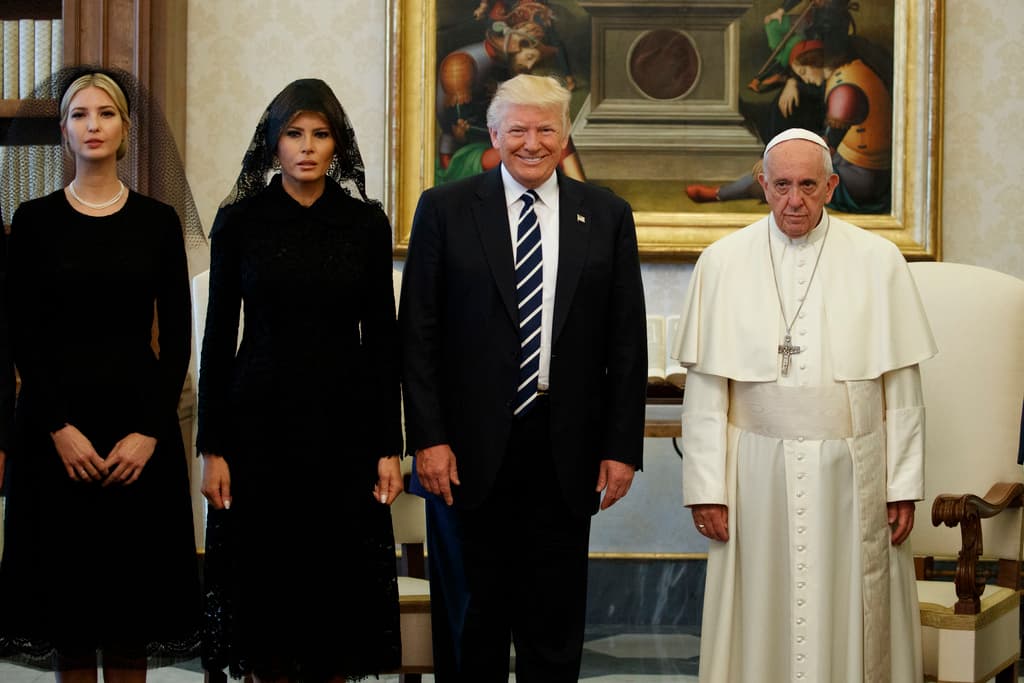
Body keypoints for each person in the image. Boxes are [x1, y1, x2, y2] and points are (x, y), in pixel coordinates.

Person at [400, 73, 647, 681]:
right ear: (493, 135)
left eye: (546, 129)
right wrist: (428, 439)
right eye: (518, 129)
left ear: (566, 138)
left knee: (553, 628)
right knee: (469, 625)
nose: (531, 142)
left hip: (565, 452)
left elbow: (626, 341)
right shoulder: (446, 208)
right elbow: (418, 335)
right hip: (463, 452)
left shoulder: (607, 214)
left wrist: (621, 450)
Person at [671, 127, 936, 682]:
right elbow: (705, 396)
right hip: (753, 479)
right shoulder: (722, 262)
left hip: (854, 474)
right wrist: (705, 491)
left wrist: (902, 484)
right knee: (761, 605)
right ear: (762, 184)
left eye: (809, 185)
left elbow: (902, 390)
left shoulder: (878, 260)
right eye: (782, 185)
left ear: (832, 186)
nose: (795, 200)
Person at [197, 78, 403, 682]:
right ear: (273, 143)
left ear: (337, 145)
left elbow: (383, 340)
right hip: (257, 431)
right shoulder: (240, 221)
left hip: (345, 433)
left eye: (320, 134)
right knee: (267, 607)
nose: (307, 147)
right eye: (294, 133)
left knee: (337, 612)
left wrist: (390, 446)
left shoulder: (364, 222)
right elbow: (216, 340)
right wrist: (213, 447)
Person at [0, 69, 202, 679]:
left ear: (125, 129)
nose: (94, 125)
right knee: (67, 618)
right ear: (63, 131)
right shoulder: (32, 221)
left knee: (130, 621)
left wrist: (150, 431)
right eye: (80, 114)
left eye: (106, 114)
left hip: (137, 432)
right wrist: (58, 427)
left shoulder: (157, 220)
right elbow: (21, 337)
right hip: (53, 432)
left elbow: (176, 340)